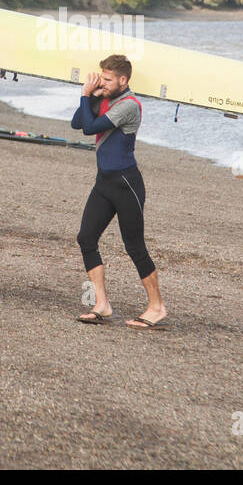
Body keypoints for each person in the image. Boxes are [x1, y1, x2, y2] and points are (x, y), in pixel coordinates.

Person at [70, 54, 166, 329]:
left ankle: (157, 307)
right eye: (102, 76)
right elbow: (77, 123)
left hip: (126, 184)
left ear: (123, 80)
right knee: (86, 238)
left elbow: (89, 128)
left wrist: (86, 94)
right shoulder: (105, 98)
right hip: (104, 183)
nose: (103, 81)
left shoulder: (129, 105)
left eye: (108, 79)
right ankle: (102, 304)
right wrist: (91, 96)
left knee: (134, 246)